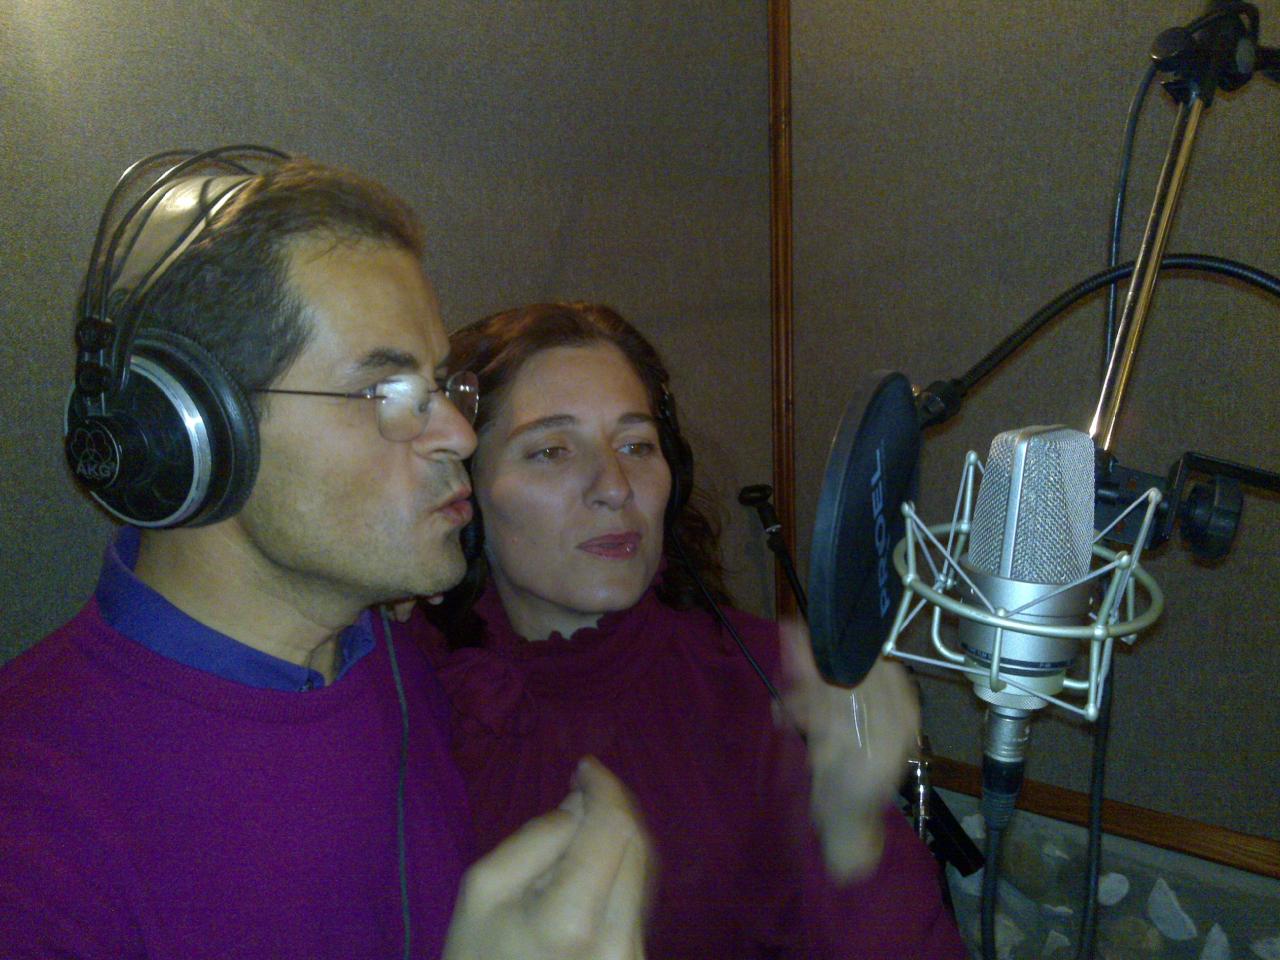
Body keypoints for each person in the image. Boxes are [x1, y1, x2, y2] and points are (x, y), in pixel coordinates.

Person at [0, 152, 650, 960]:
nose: (457, 433)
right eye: (389, 393)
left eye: (442, 387)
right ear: (195, 431)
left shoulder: (395, 668)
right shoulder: (33, 831)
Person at [411, 301, 968, 958]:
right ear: (465, 493)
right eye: (552, 451)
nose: (615, 487)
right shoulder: (402, 696)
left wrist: (853, 834)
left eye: (636, 446)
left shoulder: (771, 679)